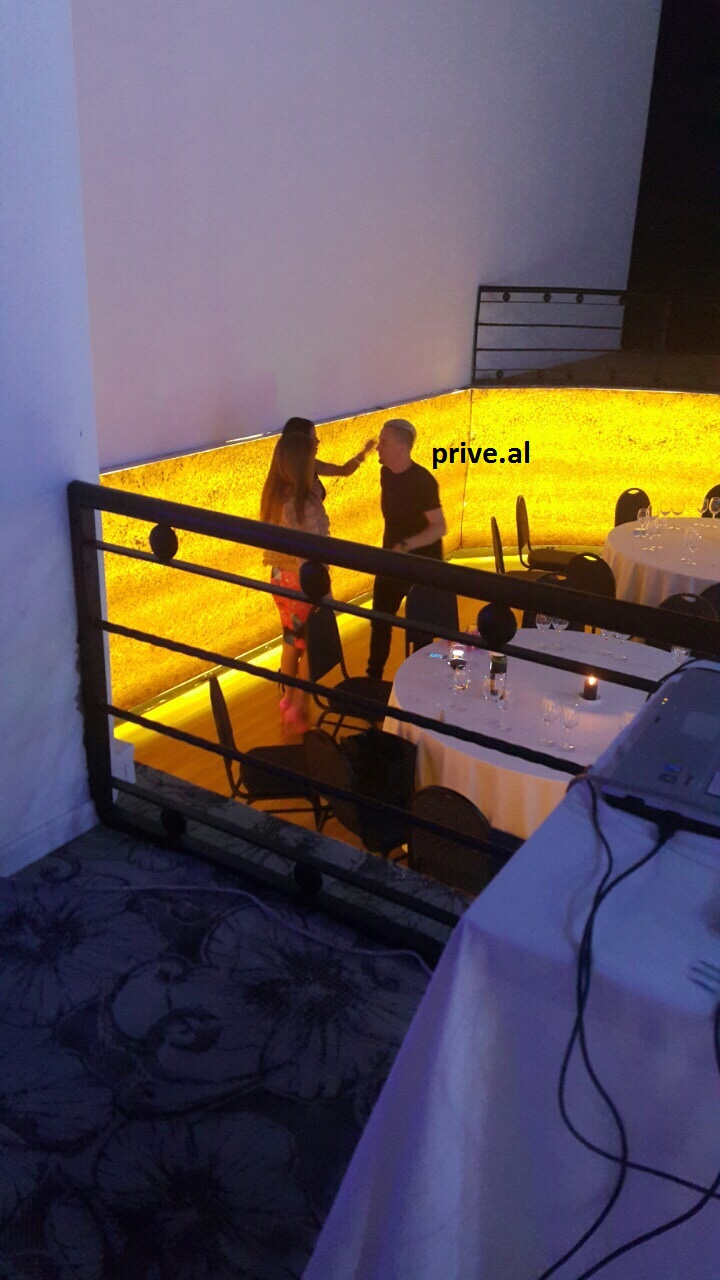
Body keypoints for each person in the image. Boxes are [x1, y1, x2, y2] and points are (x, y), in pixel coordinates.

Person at [260, 432, 330, 737]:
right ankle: (299, 702)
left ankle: (288, 699)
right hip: (303, 582)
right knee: (311, 645)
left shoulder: (275, 495)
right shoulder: (300, 502)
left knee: (292, 641)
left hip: (280, 578)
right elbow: (310, 550)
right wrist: (319, 587)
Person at [367, 418, 447, 680]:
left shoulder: (423, 481)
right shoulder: (386, 473)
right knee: (380, 621)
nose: (378, 447)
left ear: (402, 448)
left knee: (420, 630)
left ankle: (421, 681)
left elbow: (439, 526)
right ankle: (373, 678)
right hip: (391, 561)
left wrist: (406, 545)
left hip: (421, 565)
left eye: (384, 442)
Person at [281, 417, 375, 504]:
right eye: (313, 437)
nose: (318, 441)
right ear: (301, 443)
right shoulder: (288, 479)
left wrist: (364, 452)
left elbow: (344, 470)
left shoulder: (311, 464)